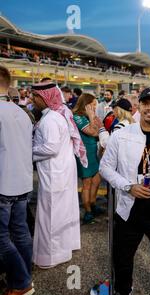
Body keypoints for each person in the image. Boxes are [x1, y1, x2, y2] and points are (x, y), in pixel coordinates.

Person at [100, 87, 150, 295]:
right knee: (122, 258)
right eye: (146, 104)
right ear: (139, 106)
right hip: (129, 208)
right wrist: (127, 186)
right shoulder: (121, 135)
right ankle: (123, 292)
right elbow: (105, 168)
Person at [31, 82, 86, 269]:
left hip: (54, 172)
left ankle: (50, 256)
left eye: (35, 96)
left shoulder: (50, 120)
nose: (32, 99)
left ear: (45, 97)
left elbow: (50, 147)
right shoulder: (55, 116)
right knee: (63, 211)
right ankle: (63, 249)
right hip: (60, 170)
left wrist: (27, 150)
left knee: (51, 214)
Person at [0, 66, 34, 295]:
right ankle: (25, 275)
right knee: (20, 233)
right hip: (22, 181)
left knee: (1, 237)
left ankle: (21, 282)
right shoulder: (21, 111)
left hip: (3, 183)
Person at [72, 93, 104, 224]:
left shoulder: (86, 116)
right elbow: (93, 132)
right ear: (86, 105)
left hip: (93, 151)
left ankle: (92, 203)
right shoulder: (77, 117)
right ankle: (88, 211)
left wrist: (94, 121)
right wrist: (92, 118)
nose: (95, 107)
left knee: (96, 179)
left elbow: (99, 129)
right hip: (84, 154)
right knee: (87, 183)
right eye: (93, 104)